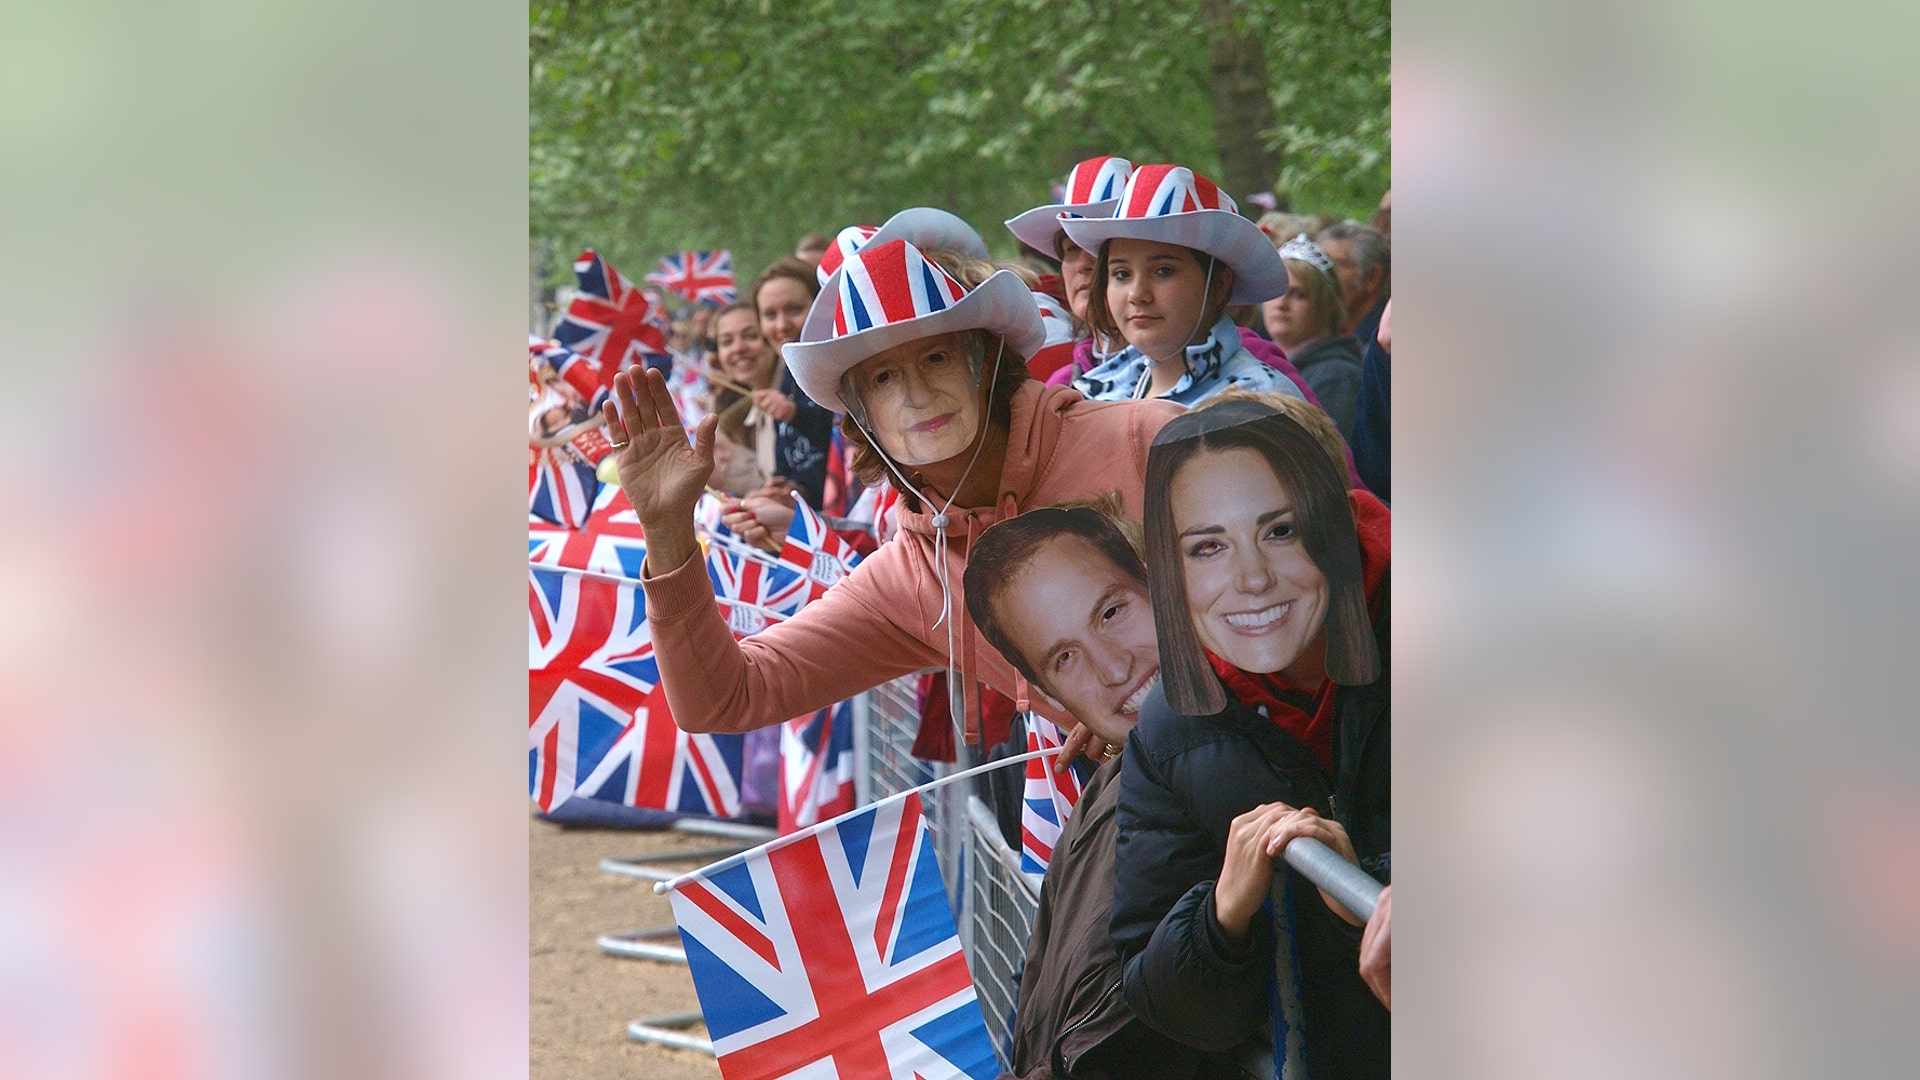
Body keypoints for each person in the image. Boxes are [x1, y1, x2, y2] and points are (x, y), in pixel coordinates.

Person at [599, 234, 1181, 761]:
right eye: (882, 378)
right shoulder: (910, 578)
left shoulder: (1146, 440)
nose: (917, 393)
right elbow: (724, 699)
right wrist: (667, 528)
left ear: (981, 362)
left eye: (935, 357)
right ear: (860, 414)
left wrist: (1157, 712)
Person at [1113, 397, 1390, 1079]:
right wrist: (1221, 917)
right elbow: (1163, 1002)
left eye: (1282, 530)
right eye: (1207, 546)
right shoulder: (1170, 727)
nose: (1252, 579)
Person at [1062, 165, 1307, 408]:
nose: (1137, 294)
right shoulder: (1092, 395)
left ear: (1220, 284)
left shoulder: (1260, 402)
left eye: (1163, 271)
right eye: (1121, 274)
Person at [748, 259, 838, 509]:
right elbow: (796, 465)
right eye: (769, 315)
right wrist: (787, 490)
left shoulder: (845, 369)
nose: (781, 325)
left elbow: (853, 449)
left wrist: (796, 414)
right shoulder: (787, 379)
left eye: (794, 309)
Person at [1264, 233, 1364, 445]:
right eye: (1274, 291)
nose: (1281, 304)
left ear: (1325, 306)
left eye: (1298, 294)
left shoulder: (1337, 376)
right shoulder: (1256, 362)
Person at [1315, 221, 1390, 343]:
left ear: (1372, 277)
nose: (1319, 274)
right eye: (1316, 264)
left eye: (1331, 265)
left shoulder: (1387, 343)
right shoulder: (1311, 331)